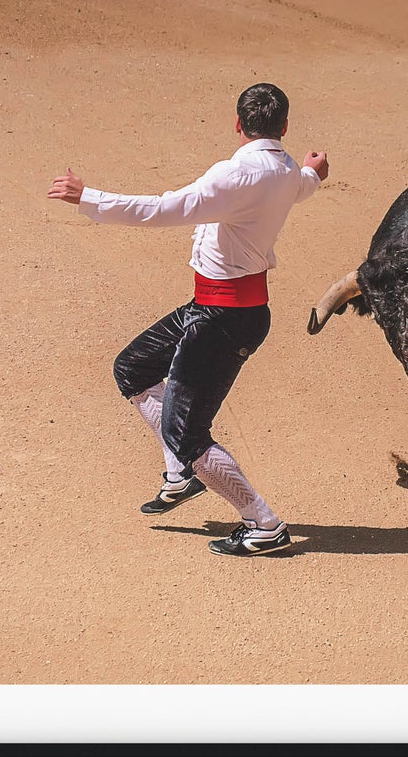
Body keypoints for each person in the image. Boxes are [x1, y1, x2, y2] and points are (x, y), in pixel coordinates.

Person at [47, 83, 328, 556]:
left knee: (188, 434)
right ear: (284, 128)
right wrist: (315, 173)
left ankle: (263, 524)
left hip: (222, 318)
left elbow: (162, 210)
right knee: (133, 368)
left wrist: (86, 196)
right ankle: (181, 474)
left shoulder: (237, 175)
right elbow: (303, 184)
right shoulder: (285, 170)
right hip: (222, 309)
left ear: (238, 124)